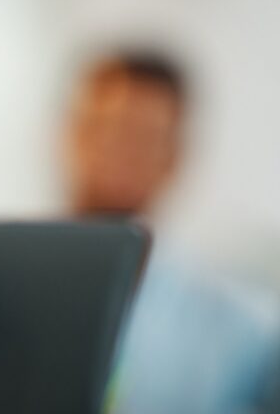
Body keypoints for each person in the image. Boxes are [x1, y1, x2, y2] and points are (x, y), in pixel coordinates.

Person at [64, 51, 280, 413]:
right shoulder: (6, 294)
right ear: (72, 135)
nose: (119, 153)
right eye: (105, 128)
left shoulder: (245, 330)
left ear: (174, 157)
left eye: (144, 137)